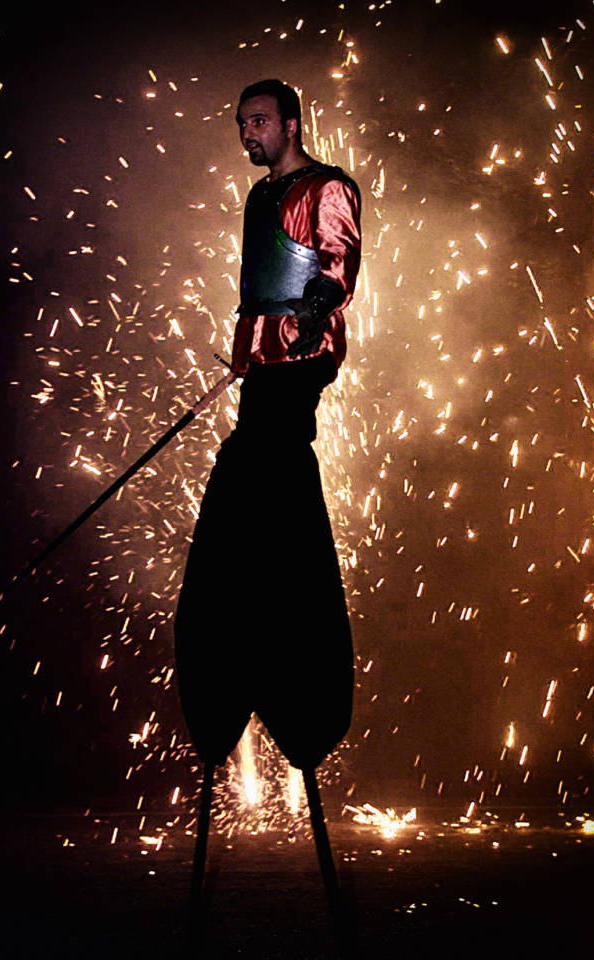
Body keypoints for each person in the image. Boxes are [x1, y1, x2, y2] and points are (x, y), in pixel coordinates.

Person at [175, 78, 362, 773]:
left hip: (301, 356)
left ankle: (276, 614)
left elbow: (337, 263)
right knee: (252, 464)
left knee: (259, 459)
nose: (247, 134)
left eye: (257, 121)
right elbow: (257, 281)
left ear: (290, 124)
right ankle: (251, 603)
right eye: (240, 123)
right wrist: (247, 351)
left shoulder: (327, 187)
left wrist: (313, 310)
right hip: (261, 358)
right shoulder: (260, 196)